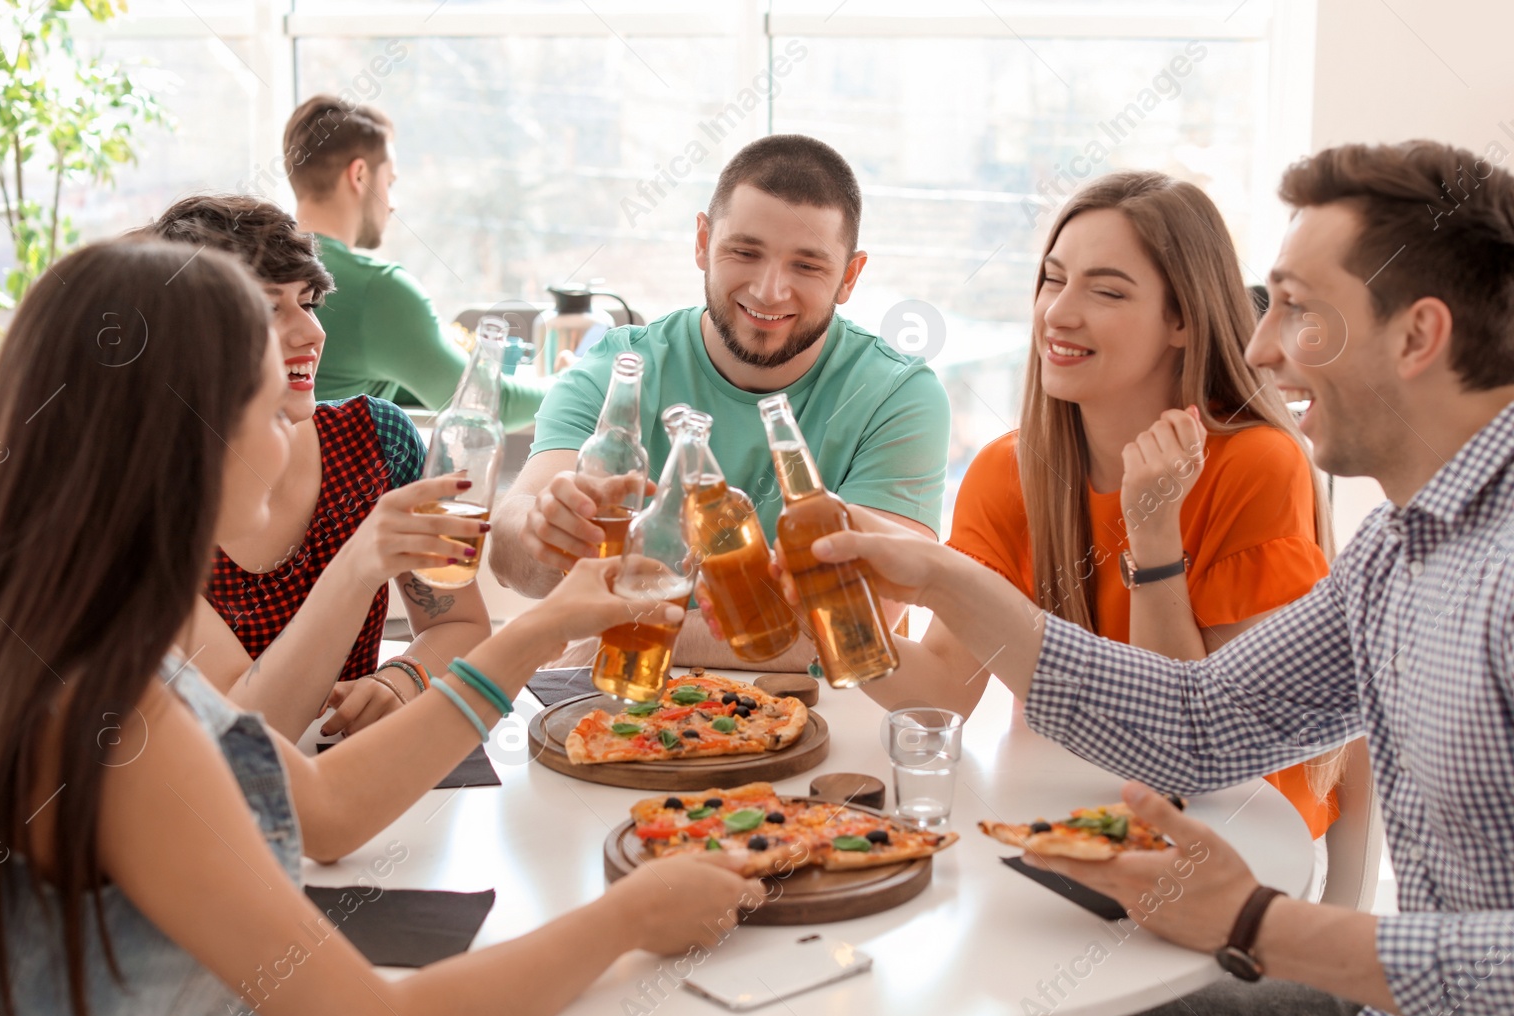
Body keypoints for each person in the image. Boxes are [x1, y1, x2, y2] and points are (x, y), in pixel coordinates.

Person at [0, 239, 755, 1016]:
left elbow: (327, 805)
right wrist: (628, 918)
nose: (297, 433)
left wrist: (535, 632)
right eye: (274, 411)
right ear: (195, 437)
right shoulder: (124, 724)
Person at [804, 140, 1514, 1016]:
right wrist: (944, 578)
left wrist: (1256, 920)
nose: (1260, 346)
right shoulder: (1395, 552)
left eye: (1299, 312)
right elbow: (1197, 718)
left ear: (1418, 337)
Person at [865, 171, 1343, 842]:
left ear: (1182, 318)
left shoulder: (1257, 464)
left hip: (1242, 840)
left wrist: (1153, 533)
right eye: (1053, 279)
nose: (1058, 312)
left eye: (1107, 290)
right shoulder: (1009, 470)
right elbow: (945, 692)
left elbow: (1192, 759)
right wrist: (831, 619)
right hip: (1074, 815)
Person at [490, 133, 951, 670]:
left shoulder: (899, 398)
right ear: (703, 242)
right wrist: (543, 532)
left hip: (818, 729)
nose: (769, 290)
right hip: (616, 718)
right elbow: (507, 560)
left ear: (849, 276)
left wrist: (617, 632)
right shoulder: (618, 370)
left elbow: (851, 627)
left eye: (807, 266)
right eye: (745, 252)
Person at [145, 194, 486, 740]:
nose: (310, 332)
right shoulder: (139, 504)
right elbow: (248, 733)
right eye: (267, 308)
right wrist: (358, 563)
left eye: (307, 302)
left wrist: (404, 677)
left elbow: (460, 622)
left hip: (351, 770)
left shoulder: (378, 439)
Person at [283, 94, 547, 423]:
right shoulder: (378, 291)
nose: (392, 203)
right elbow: (490, 407)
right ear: (360, 175)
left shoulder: (257, 266)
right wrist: (571, 381)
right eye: (389, 183)